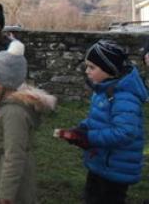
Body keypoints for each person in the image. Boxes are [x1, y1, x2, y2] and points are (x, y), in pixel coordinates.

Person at [55, 40, 147, 204]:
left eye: (92, 67)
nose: (87, 71)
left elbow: (125, 132)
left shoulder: (125, 97)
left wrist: (89, 138)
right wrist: (81, 129)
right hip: (100, 162)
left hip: (116, 168)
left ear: (109, 69)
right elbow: (98, 119)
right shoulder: (103, 89)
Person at [0, 40, 56, 204]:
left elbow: (15, 155)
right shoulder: (3, 106)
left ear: (1, 81)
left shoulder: (14, 113)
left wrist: (6, 194)